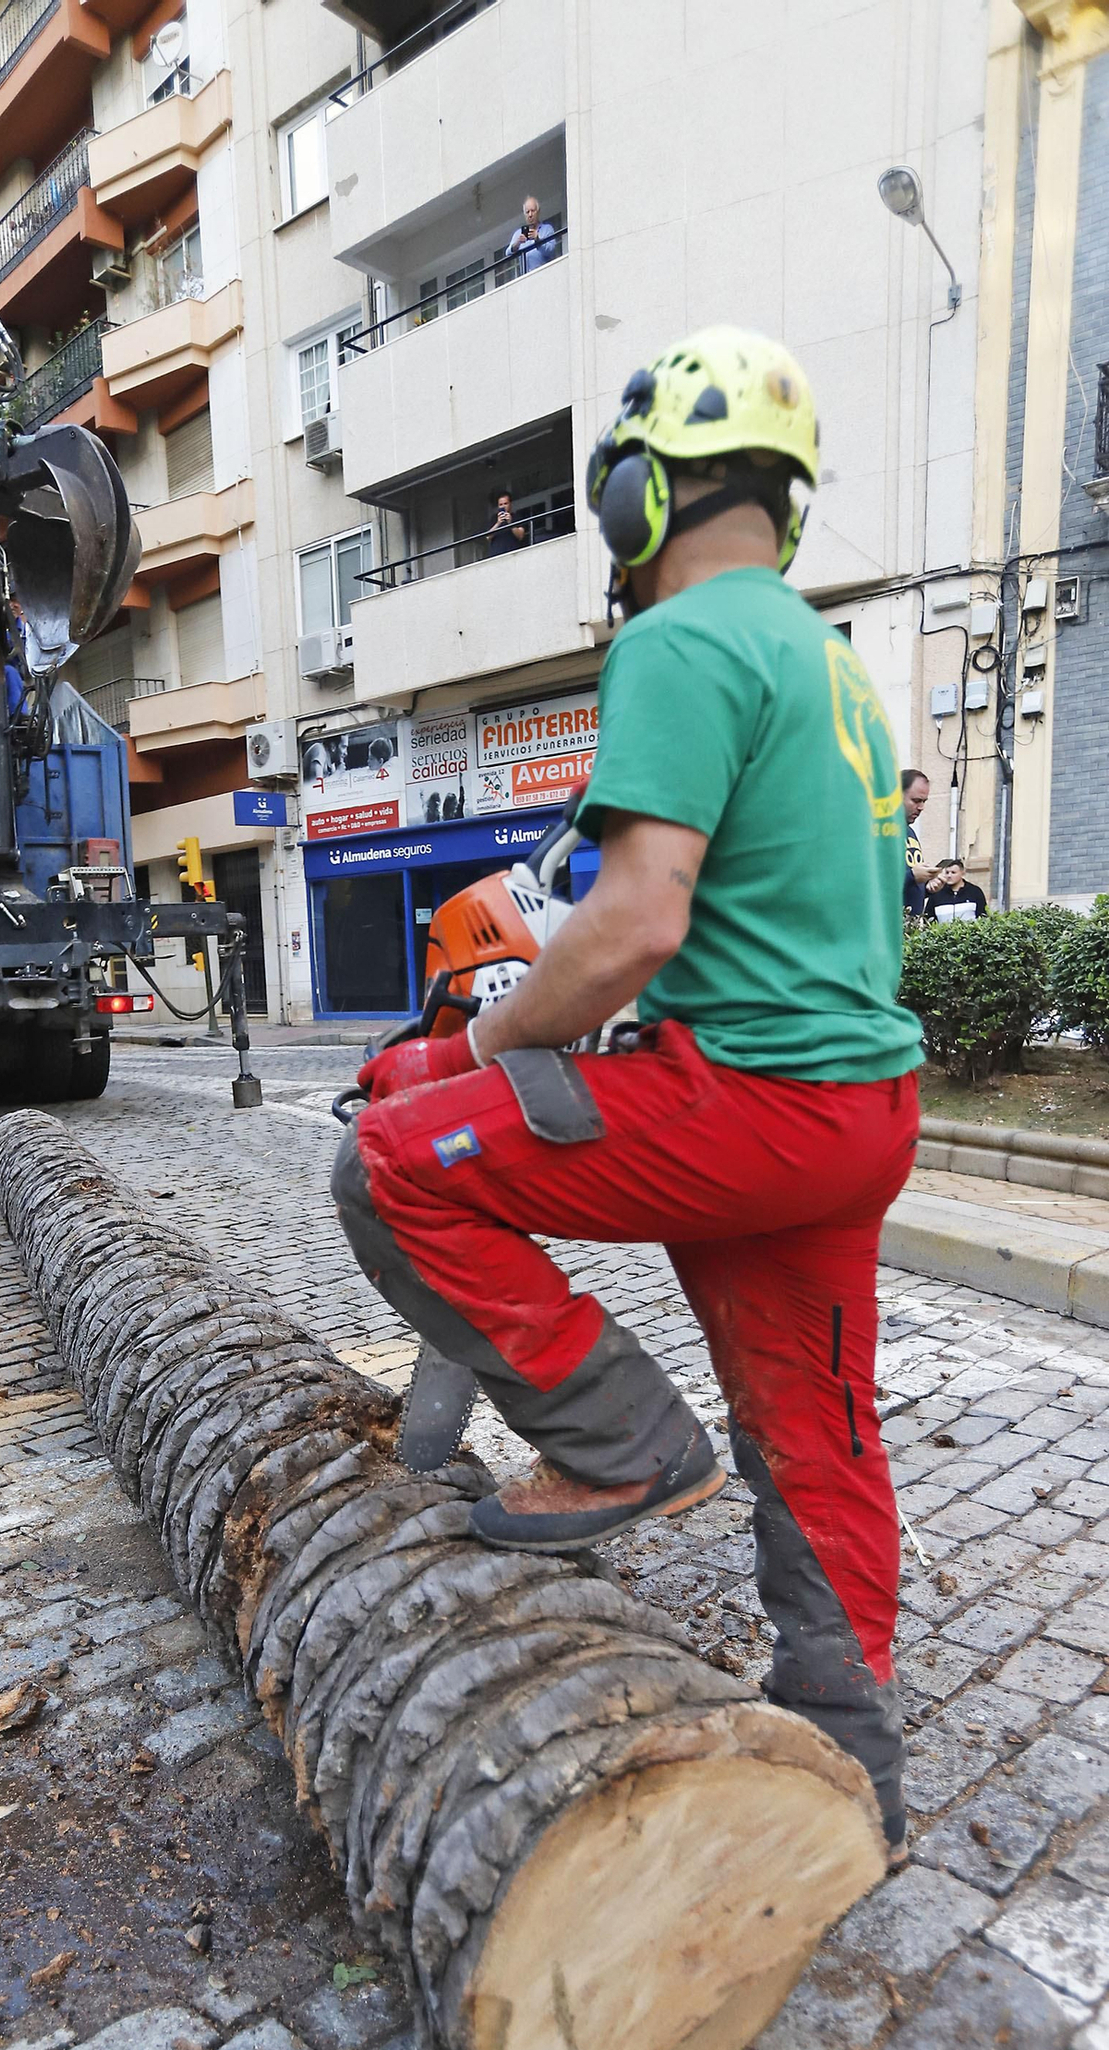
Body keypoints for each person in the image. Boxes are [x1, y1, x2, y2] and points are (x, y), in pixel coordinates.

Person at [331, 325, 922, 1861]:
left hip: (745, 1100)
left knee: (391, 1161)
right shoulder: (830, 662)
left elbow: (635, 920)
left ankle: (620, 1443)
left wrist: (470, 1055)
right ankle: (849, 1755)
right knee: (818, 1426)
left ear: (638, 499)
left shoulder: (679, 640)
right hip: (857, 1112)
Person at [901, 767, 936, 917]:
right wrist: (912, 876)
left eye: (924, 801)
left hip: (911, 924)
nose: (921, 807)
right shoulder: (878, 832)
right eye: (916, 801)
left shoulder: (910, 832)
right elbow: (871, 884)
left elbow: (908, 887)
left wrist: (928, 887)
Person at [505, 195, 559, 274]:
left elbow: (551, 250)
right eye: (527, 212)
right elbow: (507, 253)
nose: (530, 215)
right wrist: (517, 244)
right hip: (526, 276)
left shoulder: (547, 229)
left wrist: (537, 240)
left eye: (533, 211)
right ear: (524, 214)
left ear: (538, 211)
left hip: (545, 273)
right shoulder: (518, 233)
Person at [486, 492, 527, 558]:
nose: (503, 506)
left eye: (505, 503)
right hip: (496, 554)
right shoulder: (494, 518)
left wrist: (510, 523)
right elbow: (488, 537)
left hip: (512, 553)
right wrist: (498, 523)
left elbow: (520, 536)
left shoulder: (516, 517)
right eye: (501, 504)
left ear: (510, 504)